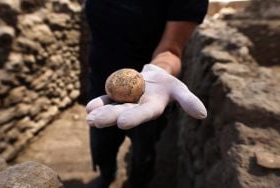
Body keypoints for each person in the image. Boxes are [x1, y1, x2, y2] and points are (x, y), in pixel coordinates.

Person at [84, 0, 208, 187]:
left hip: (150, 92)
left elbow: (170, 51)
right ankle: (107, 176)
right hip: (99, 84)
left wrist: (159, 70)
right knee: (101, 146)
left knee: (143, 154)